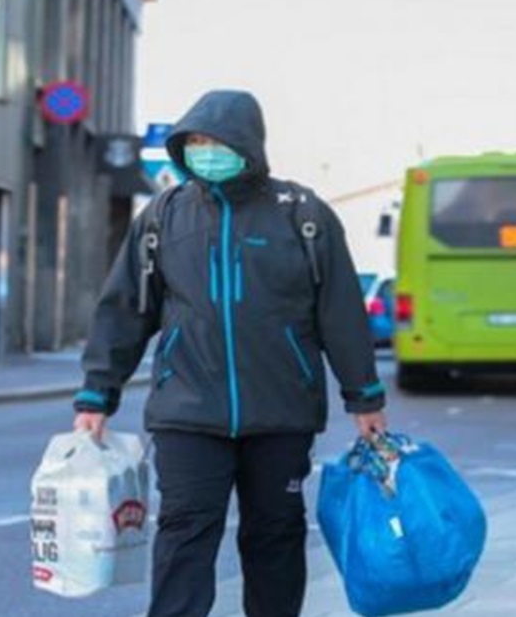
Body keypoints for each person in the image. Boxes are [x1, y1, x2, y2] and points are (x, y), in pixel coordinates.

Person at [71, 90, 388, 617]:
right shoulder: (163, 217)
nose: (205, 150)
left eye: (214, 141)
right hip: (187, 413)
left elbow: (341, 312)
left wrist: (365, 396)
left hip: (281, 413)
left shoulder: (302, 215)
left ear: (248, 144)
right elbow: (124, 309)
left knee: (276, 537)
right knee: (184, 536)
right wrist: (95, 394)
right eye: (194, 141)